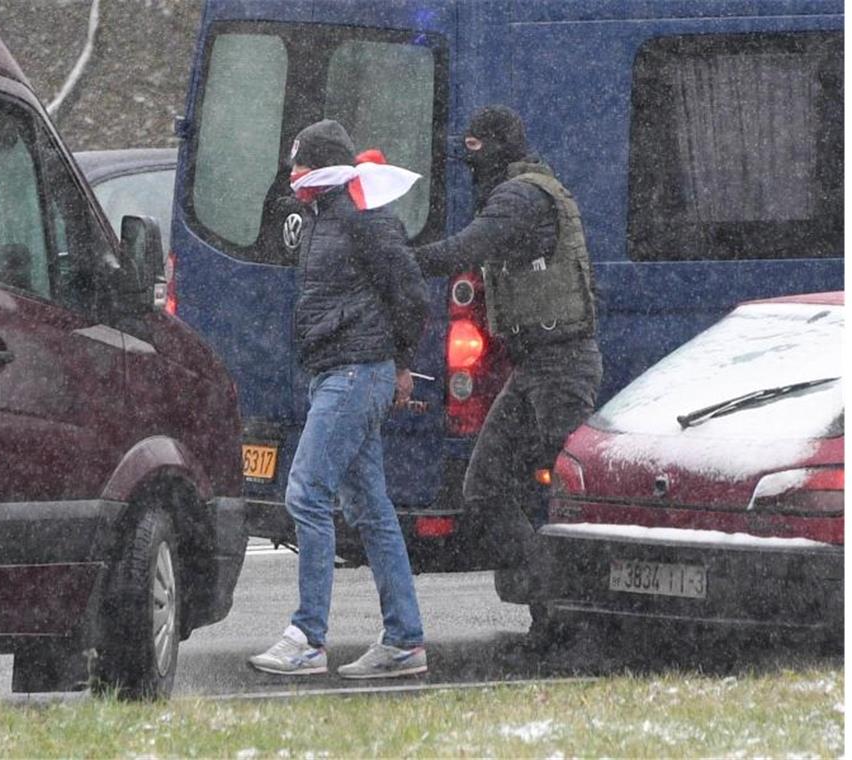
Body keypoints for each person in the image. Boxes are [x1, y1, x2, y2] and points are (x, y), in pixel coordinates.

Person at [248, 119, 430, 679]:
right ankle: (403, 639)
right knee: (371, 510)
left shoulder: (360, 219)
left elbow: (412, 296)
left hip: (353, 375)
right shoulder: (330, 217)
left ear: (323, 170)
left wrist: (399, 364)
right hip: (343, 372)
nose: (293, 176)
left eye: (301, 165)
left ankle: (308, 637)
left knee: (305, 492)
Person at [412, 105, 603, 565]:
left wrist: (397, 257)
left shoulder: (519, 198)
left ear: (498, 148)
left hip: (560, 365)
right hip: (535, 364)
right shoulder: (525, 190)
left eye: (475, 148)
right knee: (485, 486)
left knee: (573, 495)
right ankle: (546, 585)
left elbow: (465, 248)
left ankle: (573, 600)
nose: (469, 160)